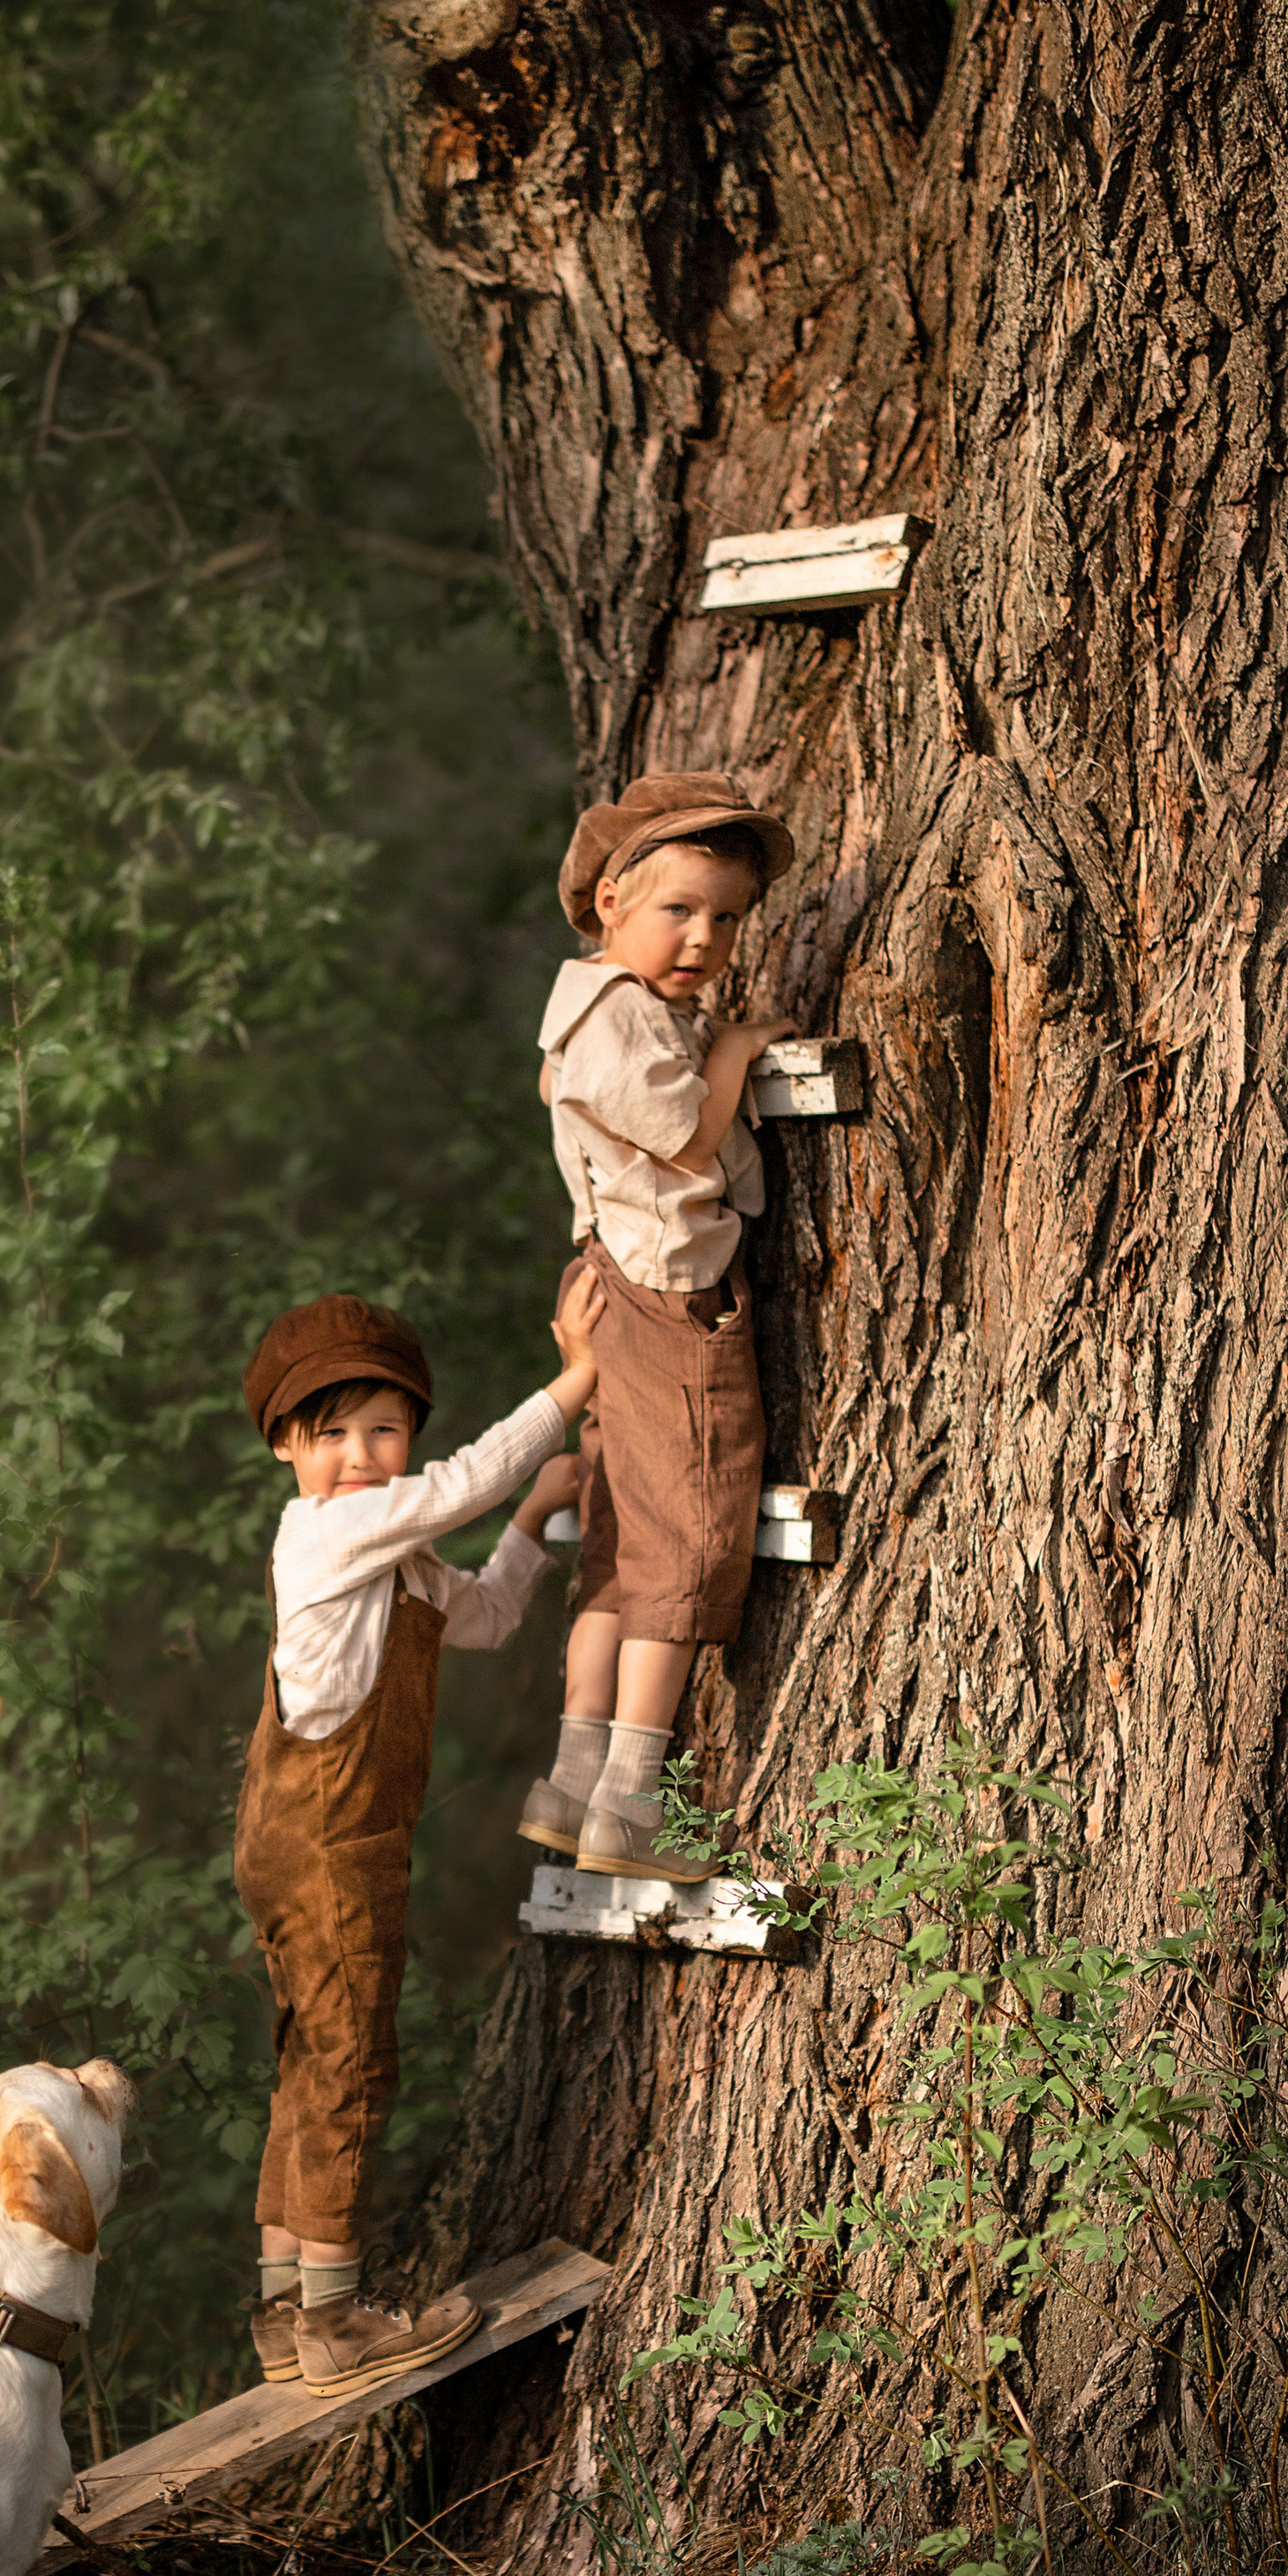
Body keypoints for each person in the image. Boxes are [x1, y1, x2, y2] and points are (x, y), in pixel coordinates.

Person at [235, 1266, 604, 2394]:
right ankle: (338, 2326)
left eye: (383, 1431)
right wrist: (577, 1380)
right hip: (327, 1847)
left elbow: (482, 1618)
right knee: (350, 2065)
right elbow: (457, 1485)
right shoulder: (321, 1538)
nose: (359, 1456)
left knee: (310, 2064)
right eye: (332, 1433)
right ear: (288, 1451)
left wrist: (535, 1524)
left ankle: (287, 2307)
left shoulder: (389, 1557)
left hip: (315, 1843)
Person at [515, 772, 796, 1883]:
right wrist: (736, 1050)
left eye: (726, 917)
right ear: (611, 901)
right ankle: (633, 1805)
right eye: (678, 909)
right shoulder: (618, 1012)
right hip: (666, 1298)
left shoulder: (615, 1006)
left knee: (624, 1544)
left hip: (620, 1283)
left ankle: (575, 1781)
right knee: (684, 1539)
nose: (704, 937)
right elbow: (684, 1138)